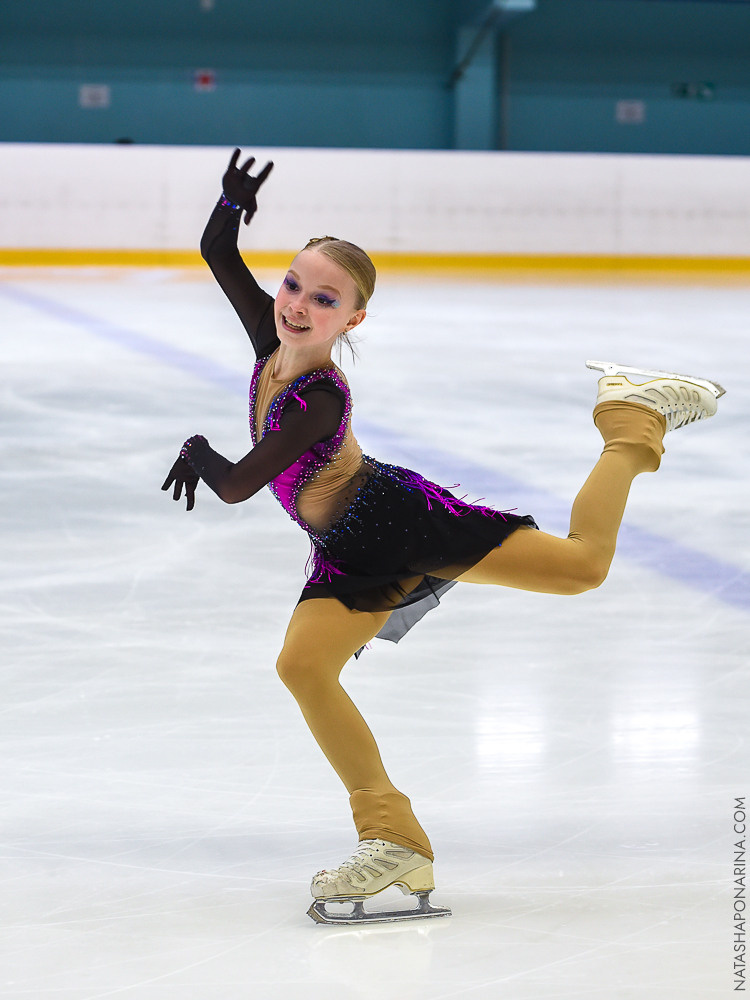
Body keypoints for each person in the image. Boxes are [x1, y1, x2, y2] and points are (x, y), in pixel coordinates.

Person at [162, 149, 725, 924]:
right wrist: (230, 207)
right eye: (293, 283)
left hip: (398, 524)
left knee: (582, 567)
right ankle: (393, 838)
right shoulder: (270, 337)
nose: (296, 304)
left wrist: (200, 451)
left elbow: (235, 486)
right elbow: (217, 254)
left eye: (323, 300)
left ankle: (634, 420)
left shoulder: (317, 401)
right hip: (349, 546)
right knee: (302, 665)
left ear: (351, 320)